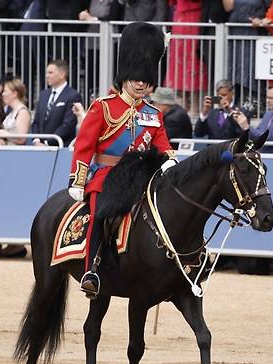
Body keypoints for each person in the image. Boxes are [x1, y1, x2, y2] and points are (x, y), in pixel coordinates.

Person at [69, 22, 176, 298]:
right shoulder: (103, 107)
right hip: (107, 175)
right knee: (100, 213)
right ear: (125, 76)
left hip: (142, 179)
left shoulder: (153, 113)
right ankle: (91, 269)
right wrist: (78, 180)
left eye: (146, 80)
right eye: (136, 79)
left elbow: (164, 146)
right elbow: (84, 146)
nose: (141, 83)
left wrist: (171, 163)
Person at [234, 83, 273, 153]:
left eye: (271, 98)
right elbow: (258, 132)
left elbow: (270, 137)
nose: (267, 101)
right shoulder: (268, 114)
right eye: (267, 97)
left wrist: (247, 127)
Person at [31, 59, 82, 146]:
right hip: (39, 148)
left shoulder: (73, 96)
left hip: (60, 148)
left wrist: (47, 143)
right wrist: (36, 141)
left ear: (62, 75)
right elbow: (36, 122)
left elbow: (68, 125)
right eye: (47, 73)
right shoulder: (44, 95)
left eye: (50, 73)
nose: (47, 76)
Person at [0, 78, 30, 145]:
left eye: (5, 91)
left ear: (15, 94)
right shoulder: (12, 112)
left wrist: (4, 134)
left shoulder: (22, 112)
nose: (3, 94)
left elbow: (21, 139)